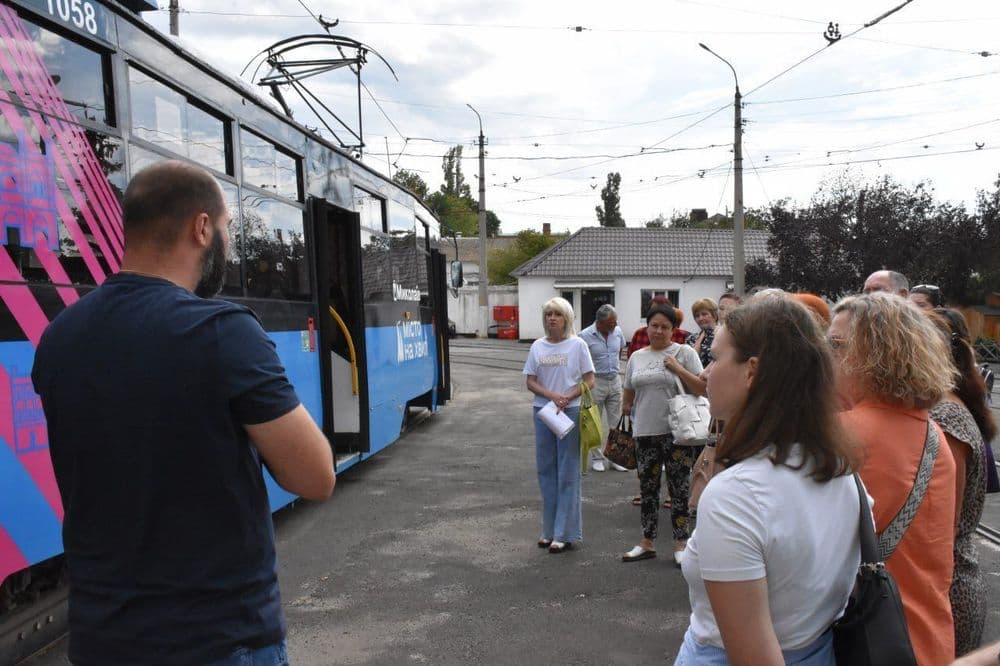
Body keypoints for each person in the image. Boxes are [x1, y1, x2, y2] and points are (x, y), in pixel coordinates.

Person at [31, 161, 335, 665]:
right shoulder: (223, 330)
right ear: (201, 228)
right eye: (227, 230)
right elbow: (316, 476)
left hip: (102, 641)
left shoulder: (59, 337)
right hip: (216, 639)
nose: (229, 245)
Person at [676, 298, 862, 665]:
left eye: (715, 358)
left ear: (753, 371)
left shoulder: (737, 495)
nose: (707, 373)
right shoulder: (841, 469)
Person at [831, 293, 957, 666]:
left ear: (874, 355)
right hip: (923, 639)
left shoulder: (841, 435)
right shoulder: (933, 433)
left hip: (864, 642)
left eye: (836, 345)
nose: (825, 356)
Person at [929, 308, 996, 655]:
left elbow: (946, 524)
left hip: (951, 587)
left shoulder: (946, 413)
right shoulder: (943, 407)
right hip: (947, 582)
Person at [621, 304, 705, 565]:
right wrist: (627, 408)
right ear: (647, 326)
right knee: (648, 489)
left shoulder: (685, 352)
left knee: (679, 489)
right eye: (654, 325)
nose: (658, 331)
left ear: (673, 329)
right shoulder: (637, 356)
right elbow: (629, 389)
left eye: (664, 327)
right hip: (644, 431)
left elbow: (702, 387)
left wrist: (678, 369)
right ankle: (647, 542)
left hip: (677, 432)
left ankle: (681, 544)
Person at [523, 297, 595, 554]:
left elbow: (590, 379)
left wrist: (568, 397)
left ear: (567, 318)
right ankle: (548, 530)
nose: (552, 318)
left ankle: (565, 532)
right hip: (543, 412)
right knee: (546, 471)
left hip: (570, 413)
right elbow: (530, 381)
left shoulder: (578, 345)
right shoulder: (537, 347)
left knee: (568, 471)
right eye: (548, 314)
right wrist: (552, 396)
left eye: (557, 314)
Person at [579, 304, 629, 472]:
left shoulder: (618, 332)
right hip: (596, 381)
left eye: (615, 322)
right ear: (599, 323)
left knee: (616, 421)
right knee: (595, 421)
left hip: (614, 380)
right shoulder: (584, 336)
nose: (614, 326)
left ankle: (615, 458)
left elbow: (620, 349)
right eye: (610, 324)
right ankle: (597, 458)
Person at [686, 298, 719, 369]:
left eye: (704, 314)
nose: (700, 318)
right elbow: (687, 364)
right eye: (697, 316)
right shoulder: (691, 338)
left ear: (715, 315)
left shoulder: (724, 336)